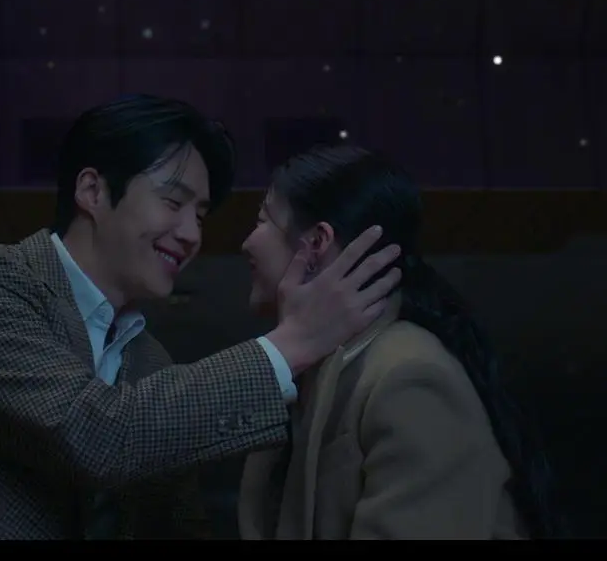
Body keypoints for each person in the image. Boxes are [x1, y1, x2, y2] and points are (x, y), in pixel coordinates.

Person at [0, 95, 401, 539]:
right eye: (173, 202)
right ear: (92, 190)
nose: (191, 234)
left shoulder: (151, 365)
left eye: (201, 215)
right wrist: (291, 343)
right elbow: (92, 433)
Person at [235, 143, 561, 540]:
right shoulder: (310, 375)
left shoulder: (408, 375)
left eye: (263, 221)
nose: (247, 242)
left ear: (316, 242)